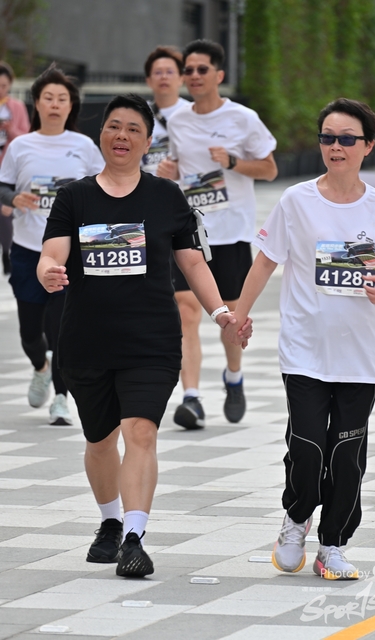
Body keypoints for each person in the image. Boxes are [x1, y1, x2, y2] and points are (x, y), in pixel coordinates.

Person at [37, 93, 251, 578]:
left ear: (148, 141)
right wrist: (48, 270)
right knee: (100, 440)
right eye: (114, 126)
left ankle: (134, 537)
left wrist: (221, 312)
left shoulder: (166, 197)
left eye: (133, 129)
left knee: (141, 431)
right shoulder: (74, 197)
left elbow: (192, 262)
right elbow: (52, 252)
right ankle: (110, 522)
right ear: (101, 135)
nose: (122, 136)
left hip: (151, 340)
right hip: (88, 340)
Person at [225, 98, 375, 580]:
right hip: (305, 351)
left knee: (346, 456)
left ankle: (333, 545)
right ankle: (296, 518)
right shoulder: (297, 201)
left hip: (360, 355)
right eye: (328, 137)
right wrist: (239, 316)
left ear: (368, 146)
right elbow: (265, 261)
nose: (336, 146)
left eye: (347, 138)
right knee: (308, 448)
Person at [157, 39, 277, 430]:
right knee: (185, 312)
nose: (193, 76)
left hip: (232, 233)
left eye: (201, 69)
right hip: (189, 233)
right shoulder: (178, 121)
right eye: (188, 70)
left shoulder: (243, 118)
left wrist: (234, 162)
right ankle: (191, 398)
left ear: (219, 75)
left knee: (232, 317)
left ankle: (234, 376)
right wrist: (171, 173)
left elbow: (270, 169)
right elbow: (181, 168)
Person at [0, 64, 104, 425]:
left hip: (69, 254)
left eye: (62, 98)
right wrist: (15, 198)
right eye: (49, 98)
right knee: (31, 333)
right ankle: (40, 367)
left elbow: (102, 188)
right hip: (28, 249)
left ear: (71, 105)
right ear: (38, 103)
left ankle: (61, 398)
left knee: (61, 328)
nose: (56, 104)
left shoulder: (84, 146)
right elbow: (3, 186)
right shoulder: (20, 146)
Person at [0, 61, 30, 275]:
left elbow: (26, 136)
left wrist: (11, 130)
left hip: (8, 167)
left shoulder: (16, 107)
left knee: (6, 211)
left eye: (3, 85)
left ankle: (6, 252)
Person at [142, 46, 188, 176]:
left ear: (181, 78)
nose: (164, 77)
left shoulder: (194, 113)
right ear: (148, 81)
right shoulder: (138, 115)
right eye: (158, 72)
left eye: (170, 72)